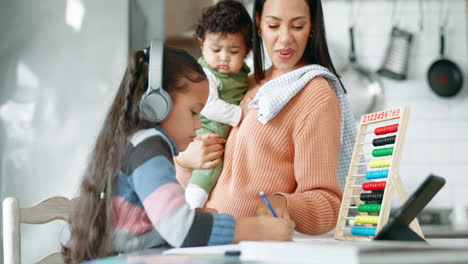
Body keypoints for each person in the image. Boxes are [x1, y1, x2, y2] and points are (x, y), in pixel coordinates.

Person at [62, 45, 295, 263]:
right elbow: (180, 230)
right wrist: (260, 228)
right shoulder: (148, 147)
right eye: (194, 112)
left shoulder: (137, 143)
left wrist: (198, 219)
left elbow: (149, 229)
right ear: (157, 104)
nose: (198, 125)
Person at [176, 0, 357, 235]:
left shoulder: (314, 94)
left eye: (297, 26)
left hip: (254, 247)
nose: (284, 39)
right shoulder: (246, 84)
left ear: (312, 26)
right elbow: (211, 176)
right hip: (211, 237)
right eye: (273, 26)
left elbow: (329, 202)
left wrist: (282, 202)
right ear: (259, 24)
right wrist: (185, 163)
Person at [185, 0, 253, 209]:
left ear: (247, 50)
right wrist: (239, 113)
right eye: (216, 49)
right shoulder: (206, 74)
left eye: (233, 52)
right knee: (210, 168)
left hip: (222, 131)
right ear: (201, 44)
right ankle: (191, 205)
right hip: (206, 129)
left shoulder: (243, 73)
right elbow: (209, 105)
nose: (223, 58)